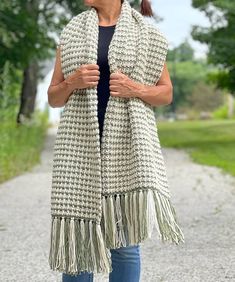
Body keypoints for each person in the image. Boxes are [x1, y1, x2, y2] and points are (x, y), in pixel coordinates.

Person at [47, 1, 174, 281]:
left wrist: (135, 88)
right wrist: (72, 82)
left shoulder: (146, 34)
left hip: (126, 148)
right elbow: (53, 98)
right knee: (78, 241)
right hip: (79, 149)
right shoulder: (72, 32)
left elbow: (165, 94)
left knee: (125, 246)